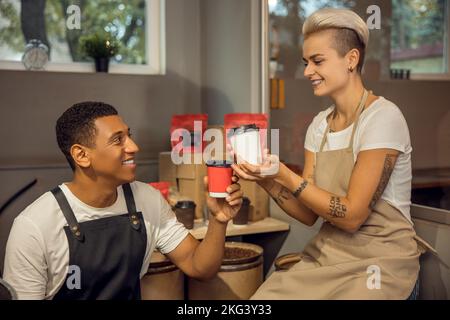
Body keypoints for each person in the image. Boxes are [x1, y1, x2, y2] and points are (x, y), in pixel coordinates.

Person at [232, 8, 431, 299]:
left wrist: (285, 174)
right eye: (306, 62)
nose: (307, 72)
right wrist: (265, 178)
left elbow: (351, 217)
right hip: (327, 258)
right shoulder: (319, 127)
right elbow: (308, 214)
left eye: (317, 61)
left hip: (381, 265)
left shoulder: (383, 118)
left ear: (352, 59)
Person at [3, 101, 243, 300]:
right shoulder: (33, 226)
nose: (134, 147)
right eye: (118, 140)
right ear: (81, 155)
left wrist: (219, 221)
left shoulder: (146, 199)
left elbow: (200, 267)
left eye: (129, 135)